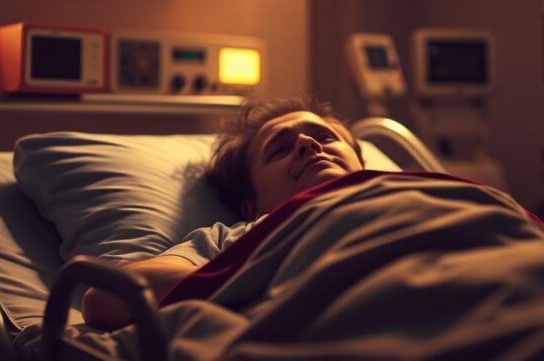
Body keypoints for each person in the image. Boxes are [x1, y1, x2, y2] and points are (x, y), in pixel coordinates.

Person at [82, 97, 365, 329]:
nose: (307, 143)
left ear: (361, 163)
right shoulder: (238, 239)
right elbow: (107, 297)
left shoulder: (405, 189)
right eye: (280, 150)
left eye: (325, 137)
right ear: (252, 206)